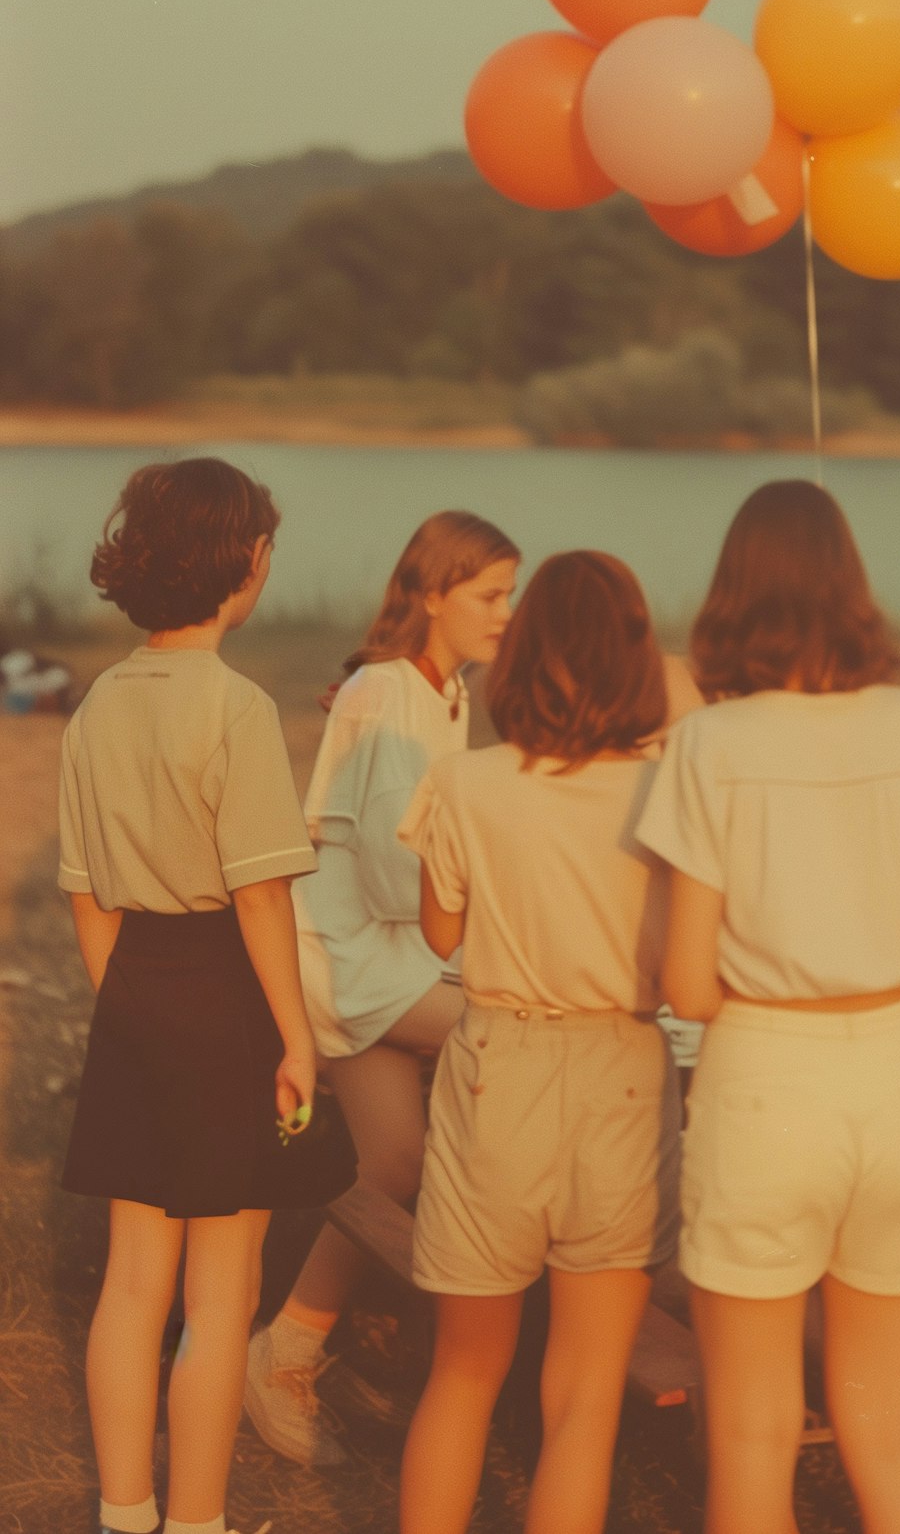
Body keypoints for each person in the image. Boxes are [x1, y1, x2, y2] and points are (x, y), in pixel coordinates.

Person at [639, 479, 900, 1534]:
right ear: (851, 589)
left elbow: (688, 985)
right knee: (888, 1432)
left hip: (766, 1089)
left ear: (733, 594)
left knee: (752, 1435)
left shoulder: (712, 745)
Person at [59, 457, 354, 1534]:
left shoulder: (96, 706)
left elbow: (89, 898)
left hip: (136, 984)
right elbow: (262, 899)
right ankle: (197, 1521)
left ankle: (123, 1511)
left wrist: (128, 1008)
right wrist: (295, 1037)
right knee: (219, 1289)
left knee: (133, 1280)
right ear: (245, 562)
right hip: (229, 990)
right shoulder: (234, 706)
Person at [396, 552, 687, 1534]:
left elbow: (441, 933)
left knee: (464, 1370)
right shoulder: (667, 789)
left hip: (500, 1070)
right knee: (585, 1397)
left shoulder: (466, 780)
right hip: (624, 1075)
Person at [244, 511, 520, 1466]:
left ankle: (284, 1348)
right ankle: (490, 1342)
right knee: (520, 1036)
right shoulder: (383, 691)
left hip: (395, 960)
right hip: (356, 960)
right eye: (490, 594)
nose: (505, 612)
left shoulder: (441, 693)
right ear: (434, 592)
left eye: (511, 594)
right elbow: (387, 880)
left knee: (393, 1159)